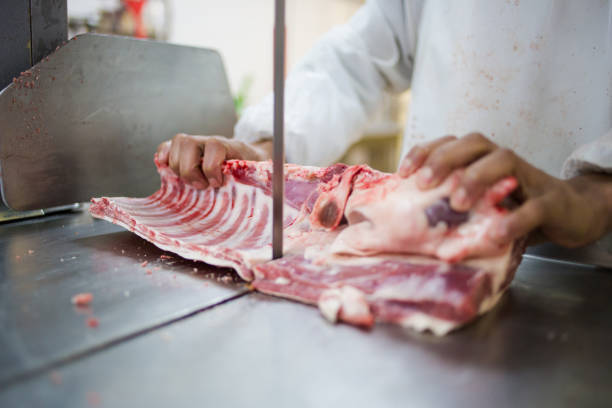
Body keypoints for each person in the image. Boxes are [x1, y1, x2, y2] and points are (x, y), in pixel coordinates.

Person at [157, 0, 612, 249]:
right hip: (419, 249)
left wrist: (596, 195)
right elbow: (353, 64)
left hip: (582, 272)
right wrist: (264, 148)